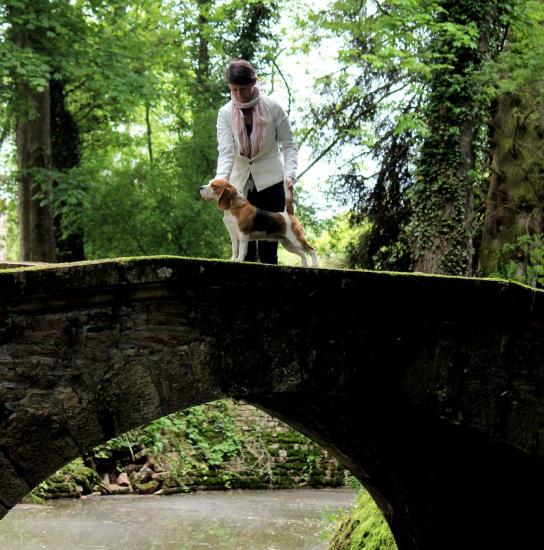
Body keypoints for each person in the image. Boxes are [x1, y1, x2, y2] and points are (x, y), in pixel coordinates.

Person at [214, 59, 298, 264]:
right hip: (240, 186)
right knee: (245, 253)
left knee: (269, 252)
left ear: (254, 83)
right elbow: (226, 152)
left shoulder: (273, 107)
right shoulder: (225, 113)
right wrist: (220, 182)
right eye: (233, 89)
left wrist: (290, 175)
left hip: (272, 182)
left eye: (243, 89)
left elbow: (289, 144)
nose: (238, 94)